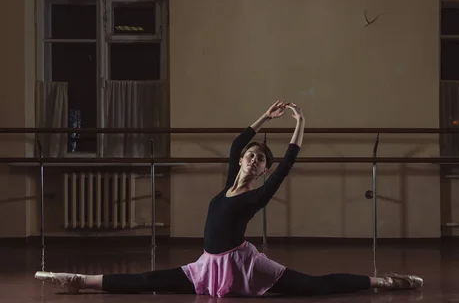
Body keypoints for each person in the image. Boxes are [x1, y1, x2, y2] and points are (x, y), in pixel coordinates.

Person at [34, 101, 423, 296]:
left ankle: (385, 281)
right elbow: (239, 139)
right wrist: (264, 117)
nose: (255, 159)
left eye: (261, 160)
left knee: (314, 288)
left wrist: (299, 122)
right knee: (150, 279)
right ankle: (77, 280)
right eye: (252, 155)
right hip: (207, 266)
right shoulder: (227, 184)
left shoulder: (256, 196)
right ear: (242, 160)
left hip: (244, 265)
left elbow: (287, 162)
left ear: (262, 171)